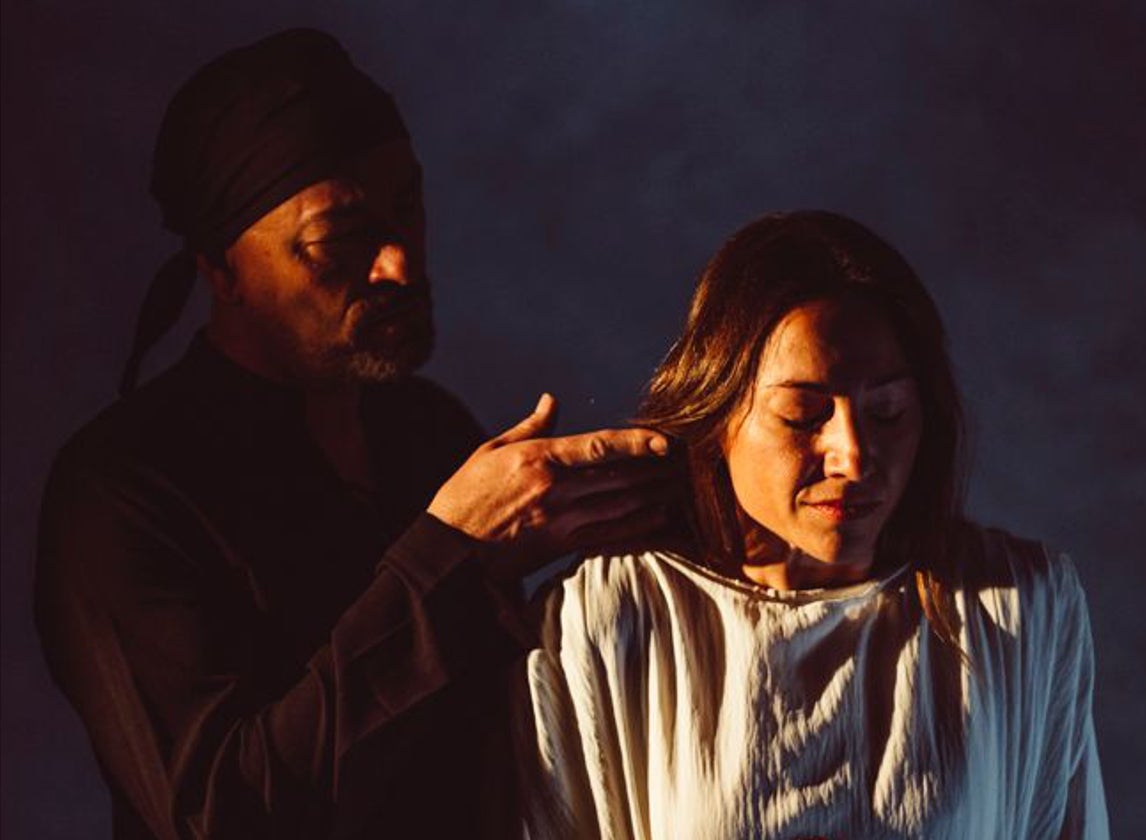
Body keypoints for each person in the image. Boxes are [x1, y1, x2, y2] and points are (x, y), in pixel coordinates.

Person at [34, 29, 675, 839]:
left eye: (407, 207)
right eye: (338, 243)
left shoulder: (431, 432)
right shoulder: (122, 490)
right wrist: (450, 553)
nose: (399, 264)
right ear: (221, 269)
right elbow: (218, 815)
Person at [518, 211, 1109, 838]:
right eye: (802, 415)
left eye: (886, 412)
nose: (852, 455)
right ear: (719, 419)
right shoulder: (611, 614)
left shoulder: (1017, 605)